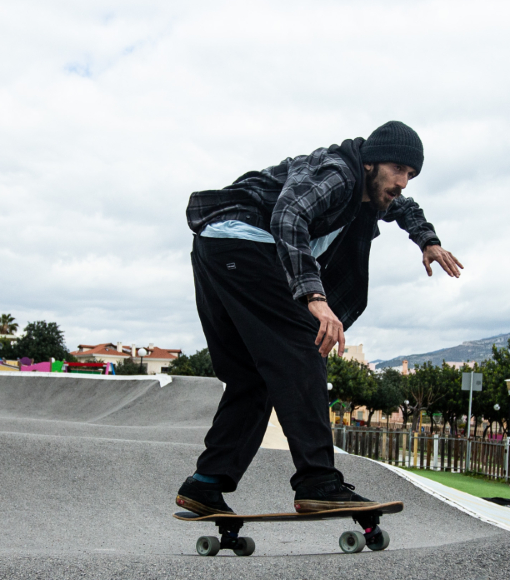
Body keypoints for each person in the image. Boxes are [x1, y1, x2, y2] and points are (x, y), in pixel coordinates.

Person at [174, 122, 463, 516]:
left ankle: (206, 483)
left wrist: (427, 240)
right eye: (398, 169)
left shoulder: (369, 191)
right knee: (304, 347)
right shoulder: (338, 172)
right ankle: (318, 482)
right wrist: (314, 296)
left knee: (252, 376)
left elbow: (405, 209)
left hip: (216, 247)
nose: (404, 182)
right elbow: (288, 216)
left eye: (411, 174)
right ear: (370, 162)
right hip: (245, 243)